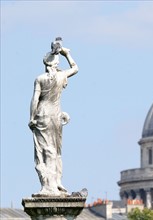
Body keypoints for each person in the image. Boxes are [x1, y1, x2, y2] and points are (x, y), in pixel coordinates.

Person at [29, 39, 78, 196]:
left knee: (43, 150)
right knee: (56, 150)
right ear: (56, 64)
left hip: (43, 114)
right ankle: (57, 182)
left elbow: (35, 99)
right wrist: (66, 54)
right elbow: (75, 68)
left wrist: (31, 117)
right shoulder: (61, 76)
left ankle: (48, 186)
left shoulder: (40, 79)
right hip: (56, 115)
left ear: (46, 64)